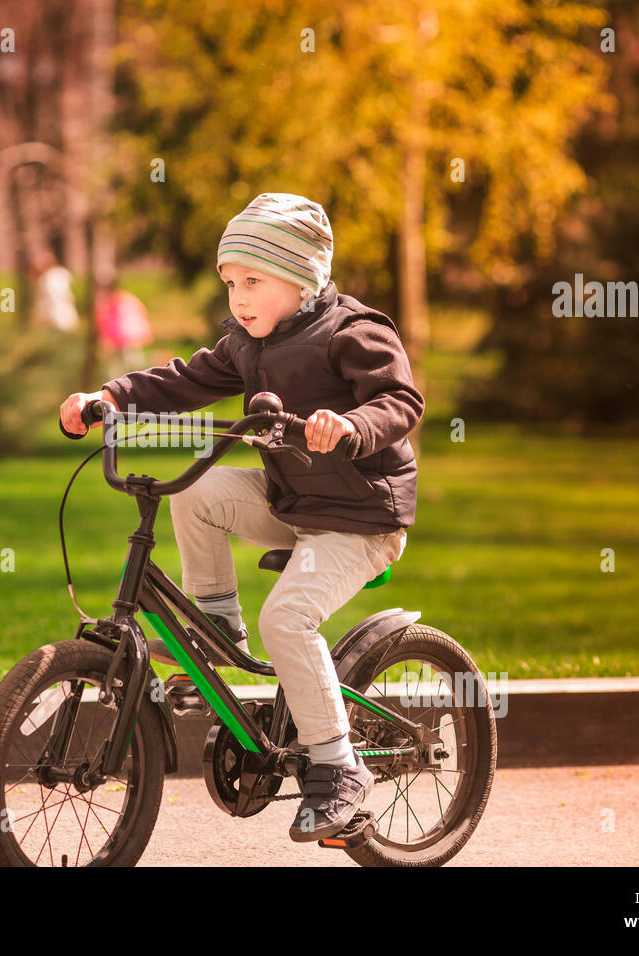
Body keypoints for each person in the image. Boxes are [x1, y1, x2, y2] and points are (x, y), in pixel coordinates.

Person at [59, 192, 423, 843]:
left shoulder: (352, 331)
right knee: (196, 488)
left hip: (360, 517)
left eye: (253, 280)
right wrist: (108, 397)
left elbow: (400, 400)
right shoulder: (247, 345)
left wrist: (350, 426)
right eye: (230, 282)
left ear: (302, 275)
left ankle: (340, 772)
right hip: (293, 503)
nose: (238, 297)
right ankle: (216, 619)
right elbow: (179, 381)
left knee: (286, 616)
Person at [94, 278, 153, 381]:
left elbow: (108, 322)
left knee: (133, 363)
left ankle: (156, 363)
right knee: (121, 366)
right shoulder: (124, 299)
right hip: (121, 340)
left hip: (125, 339)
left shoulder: (114, 302)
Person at [30, 248, 79, 332]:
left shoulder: (50, 279)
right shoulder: (58, 276)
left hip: (56, 321)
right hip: (63, 319)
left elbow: (52, 302)